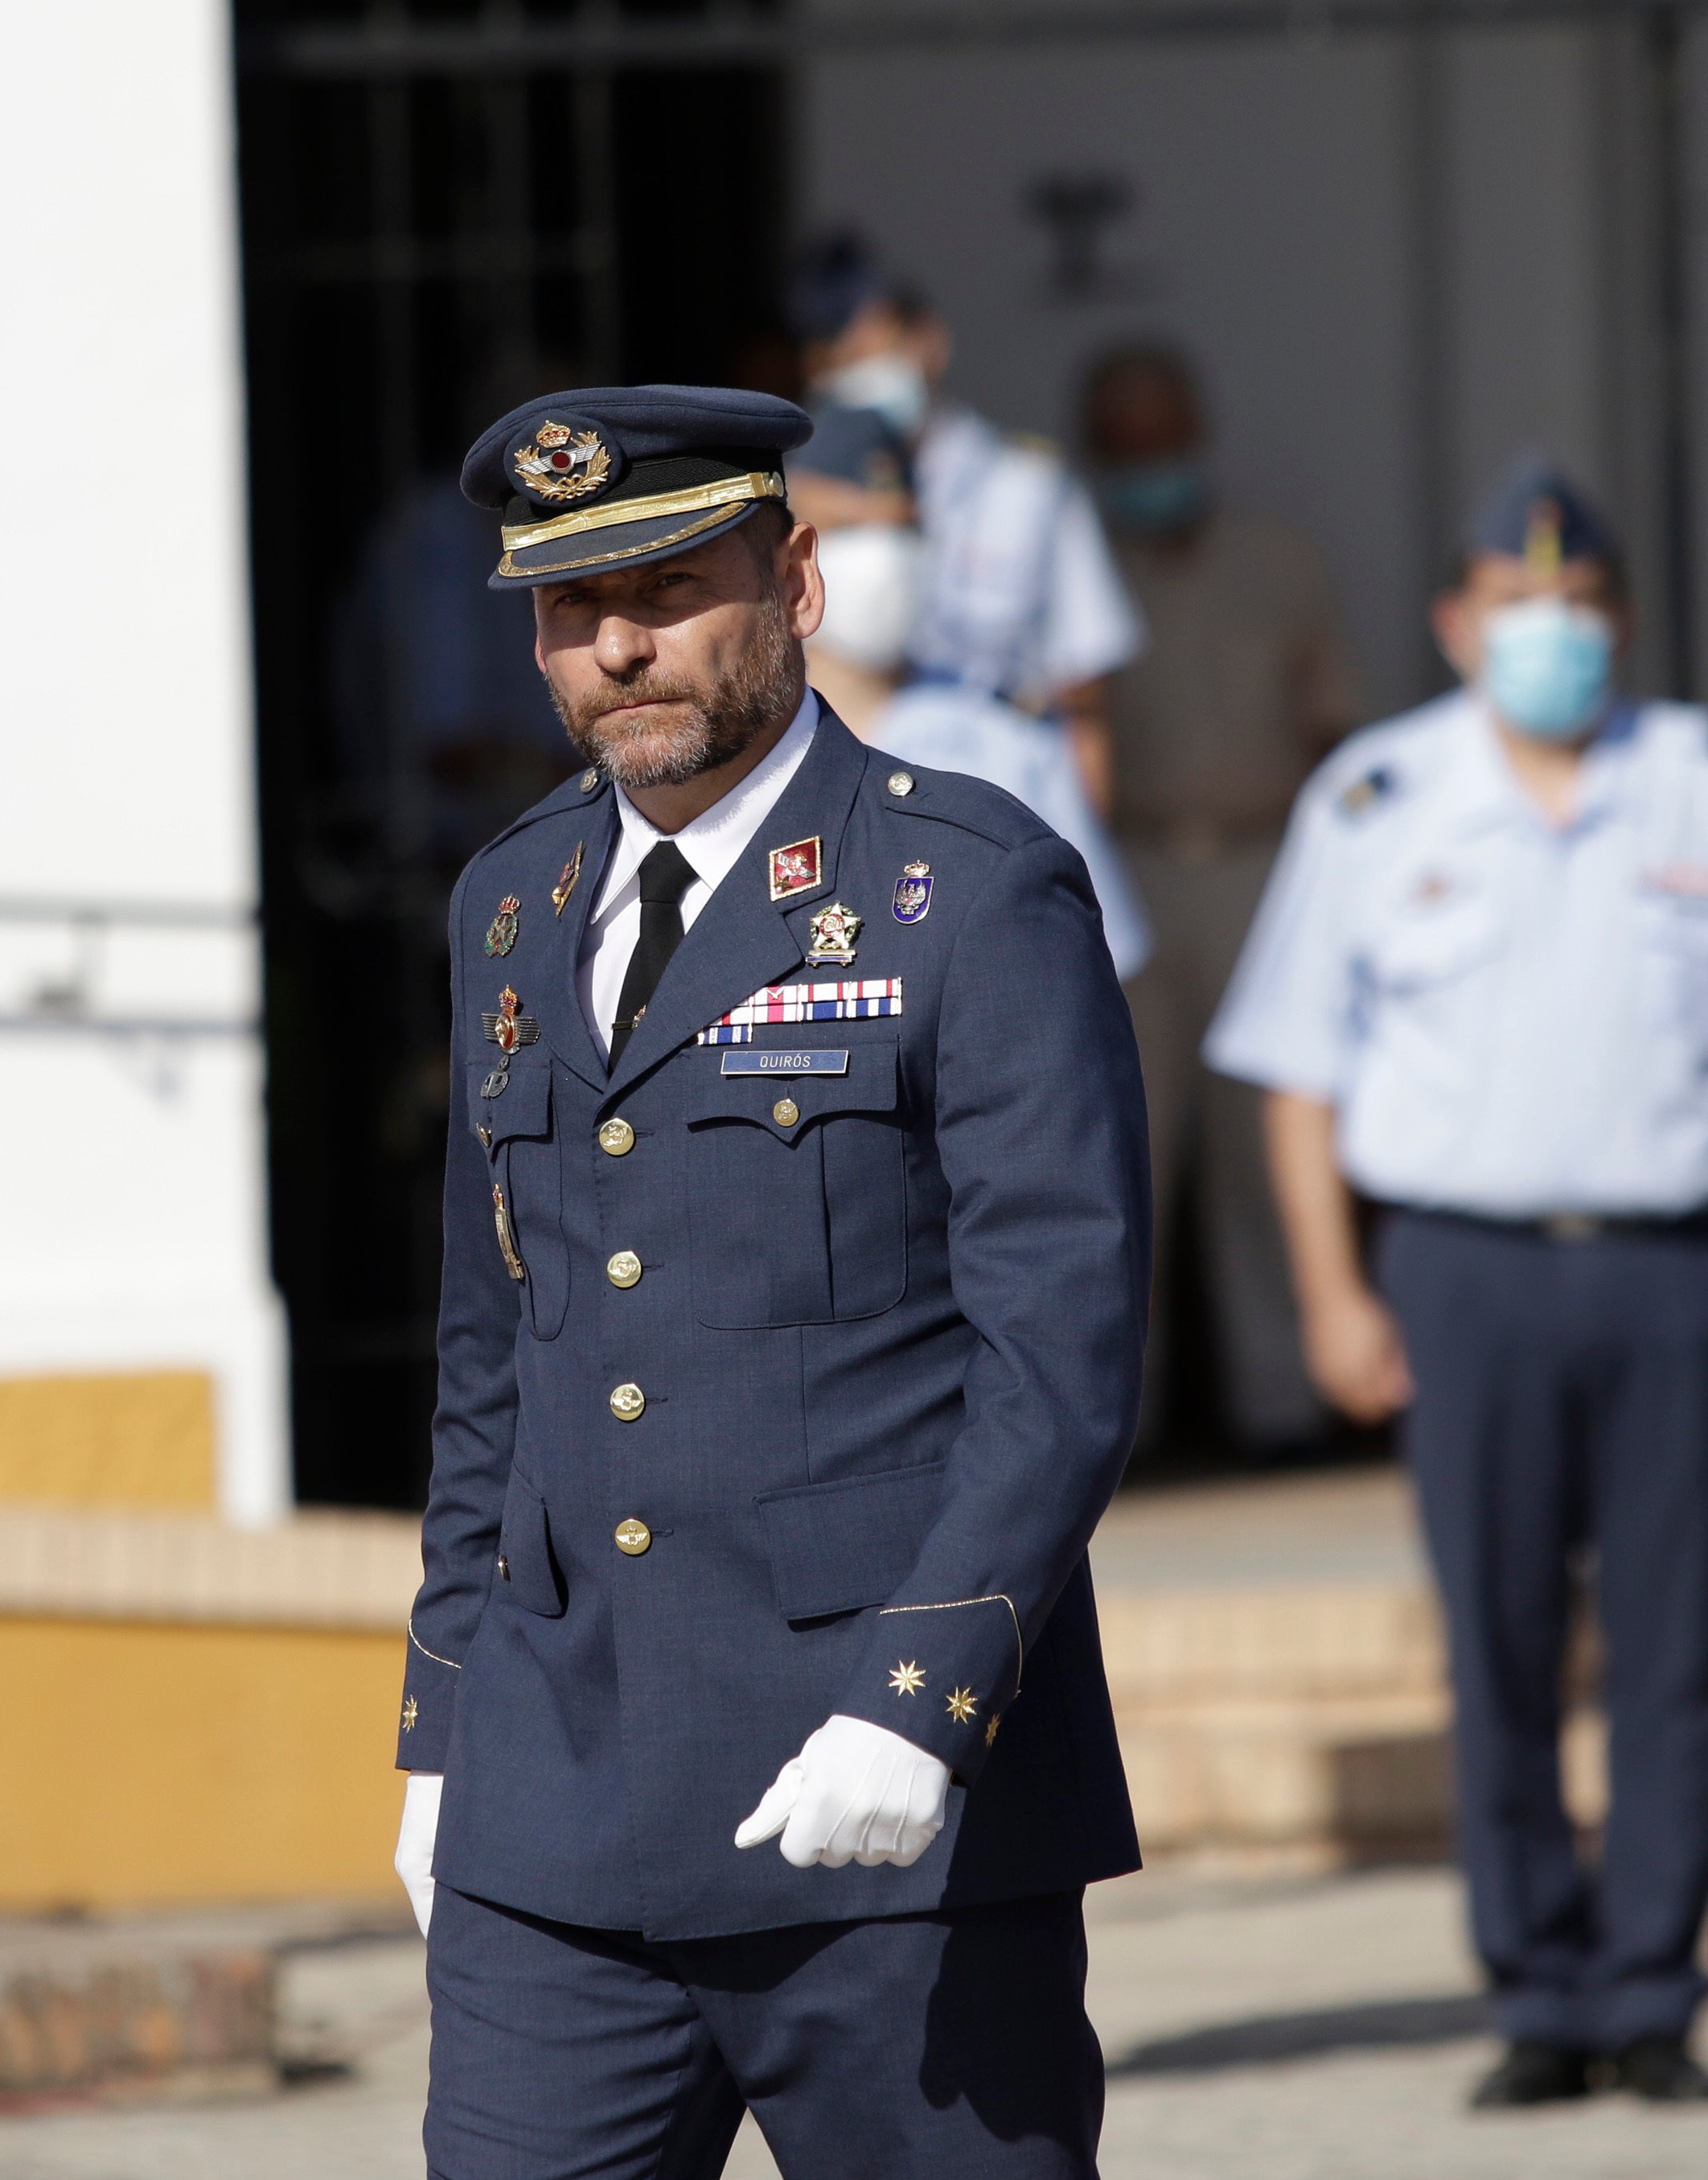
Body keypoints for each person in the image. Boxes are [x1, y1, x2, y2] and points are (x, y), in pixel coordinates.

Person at [393, 384, 1152, 2175]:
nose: (618, 646)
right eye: (568, 609)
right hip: (556, 1811)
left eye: (664, 584)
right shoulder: (506, 904)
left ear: (795, 579)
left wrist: (924, 1692)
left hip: (881, 1808)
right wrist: (442, 1718)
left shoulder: (964, 886)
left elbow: (1061, 1352)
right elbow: (489, 1348)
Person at [1204, 458, 1708, 2109]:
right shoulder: (1372, 801)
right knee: (1498, 1634)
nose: (1551, 632)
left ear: (1623, 619)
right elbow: (1297, 1076)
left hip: (1673, 1267)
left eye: (1578, 604)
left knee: (1670, 1644)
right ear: (1456, 622)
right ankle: (1534, 1979)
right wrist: (1330, 1291)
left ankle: (1650, 1983)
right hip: (1461, 1269)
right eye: (1517, 605)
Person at [1082, 343, 1364, 1459]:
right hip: (1127, 867)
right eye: (1128, 442)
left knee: (1268, 1147)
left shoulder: (1275, 560)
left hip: (1265, 864)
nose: (1154, 460)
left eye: (1167, 434)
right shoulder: (1083, 565)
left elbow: (1332, 724)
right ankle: (1126, 1425)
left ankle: (1288, 1406)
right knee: (1128, 1151)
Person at [789, 401, 1151, 982]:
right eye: (848, 529)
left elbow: (1088, 972)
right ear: (789, 557)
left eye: (902, 530)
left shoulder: (1010, 748)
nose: (881, 556)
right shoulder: (742, 740)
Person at [787, 232, 1140, 809]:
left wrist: (1083, 846)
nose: (867, 374)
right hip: (861, 790)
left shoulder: (1028, 485)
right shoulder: (796, 491)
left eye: (881, 350)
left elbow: (1084, 697)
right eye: (846, 361)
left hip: (1005, 784)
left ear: (928, 342)